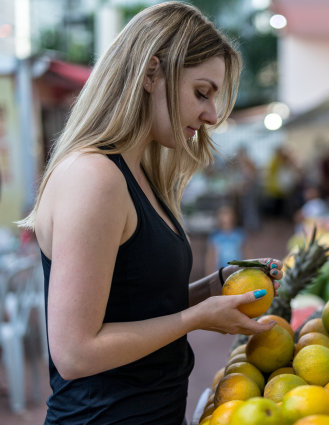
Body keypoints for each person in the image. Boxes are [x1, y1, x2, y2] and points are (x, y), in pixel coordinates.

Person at [17, 3, 284, 424]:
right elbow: (74, 353)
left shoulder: (135, 175)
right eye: (202, 92)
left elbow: (134, 305)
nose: (212, 115)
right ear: (150, 73)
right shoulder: (95, 177)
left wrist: (214, 287)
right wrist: (194, 318)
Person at [209, 205, 246, 270]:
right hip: (220, 272)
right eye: (222, 215)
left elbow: (247, 254)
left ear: (233, 218)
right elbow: (210, 258)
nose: (225, 219)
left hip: (238, 271)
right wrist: (209, 274)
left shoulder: (239, 234)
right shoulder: (215, 236)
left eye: (227, 214)